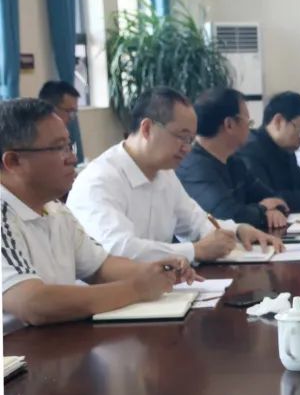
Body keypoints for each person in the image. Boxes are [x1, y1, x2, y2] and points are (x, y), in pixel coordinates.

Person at [2, 98, 193, 329]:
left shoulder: (55, 209)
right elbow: (33, 303)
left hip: (57, 343)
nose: (73, 158)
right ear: (13, 161)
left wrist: (156, 271)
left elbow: (100, 267)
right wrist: (136, 288)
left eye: (69, 146)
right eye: (58, 148)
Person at [67, 89, 280, 263]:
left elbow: (196, 223)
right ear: (147, 128)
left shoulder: (164, 173)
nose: (187, 148)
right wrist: (194, 251)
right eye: (182, 137)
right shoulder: (100, 180)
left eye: (190, 140)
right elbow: (118, 249)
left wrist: (238, 230)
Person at [177, 88, 291, 230]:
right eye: (248, 122)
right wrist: (263, 210)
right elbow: (226, 217)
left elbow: (274, 199)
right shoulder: (194, 167)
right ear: (229, 124)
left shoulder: (234, 161)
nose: (250, 129)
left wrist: (272, 209)